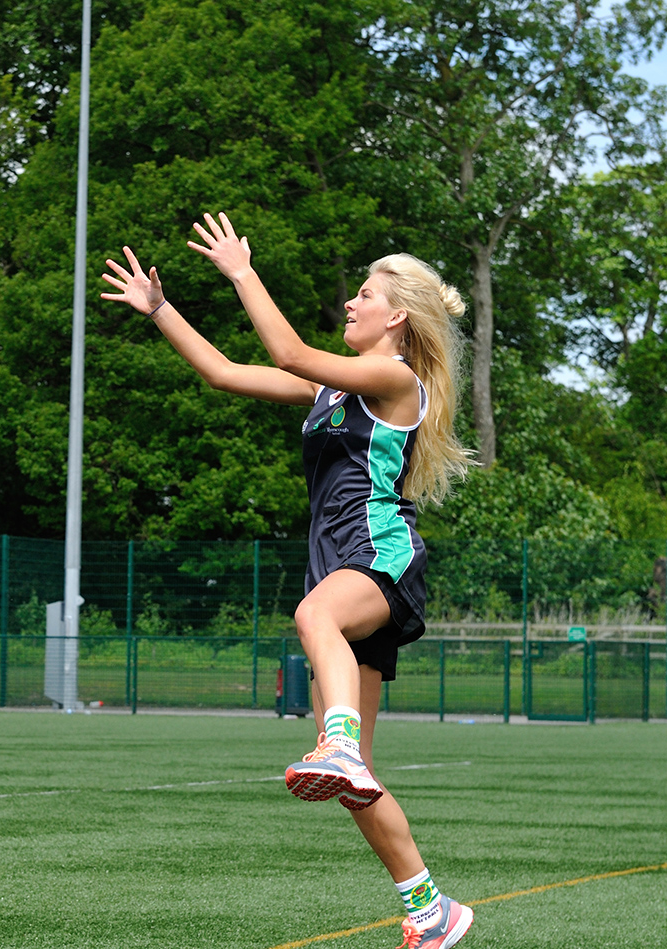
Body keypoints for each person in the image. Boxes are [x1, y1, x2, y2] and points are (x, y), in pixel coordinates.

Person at [102, 212, 474, 949]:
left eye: (363, 294)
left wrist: (241, 270)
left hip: (378, 556)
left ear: (396, 315)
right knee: (357, 783)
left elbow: (286, 348)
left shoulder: (394, 376)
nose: (351, 302)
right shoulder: (332, 394)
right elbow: (225, 372)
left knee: (314, 618)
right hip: (338, 564)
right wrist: (161, 308)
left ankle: (334, 742)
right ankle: (431, 908)